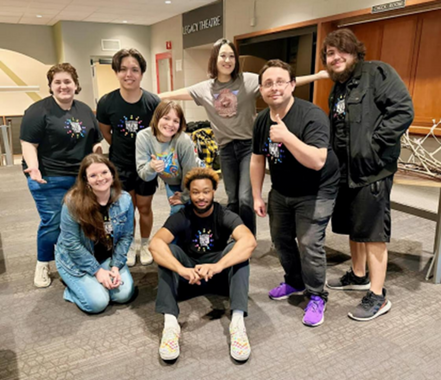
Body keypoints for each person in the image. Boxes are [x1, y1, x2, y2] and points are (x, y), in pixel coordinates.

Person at [160, 38, 328, 236]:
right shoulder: (205, 88)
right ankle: (235, 235)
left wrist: (317, 76)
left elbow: (282, 82)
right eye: (223, 55)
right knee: (232, 198)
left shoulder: (247, 80)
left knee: (245, 198)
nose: (227, 60)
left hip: (248, 146)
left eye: (231, 56)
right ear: (215, 59)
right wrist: (154, 95)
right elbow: (179, 94)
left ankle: (248, 238)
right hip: (225, 148)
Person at [321, 29, 414, 321]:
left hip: (372, 170)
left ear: (354, 51)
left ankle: (377, 294)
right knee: (354, 226)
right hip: (346, 171)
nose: (335, 57)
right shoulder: (338, 87)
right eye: (329, 53)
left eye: (341, 51)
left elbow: (402, 110)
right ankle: (358, 274)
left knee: (373, 232)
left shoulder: (378, 73)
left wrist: (373, 146)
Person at [250, 59, 340, 327]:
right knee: (280, 238)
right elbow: (257, 159)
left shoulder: (312, 115)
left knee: (309, 242)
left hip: (317, 189)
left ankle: (316, 296)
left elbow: (317, 161)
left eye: (280, 82)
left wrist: (287, 137)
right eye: (268, 83)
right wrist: (257, 195)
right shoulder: (261, 120)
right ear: (261, 90)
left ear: (291, 85)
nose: (274, 88)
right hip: (282, 189)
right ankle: (294, 281)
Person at [149, 167, 256, 361]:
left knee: (239, 253)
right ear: (189, 193)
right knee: (167, 253)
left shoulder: (225, 214)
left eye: (206, 191)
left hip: (219, 276)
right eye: (196, 192)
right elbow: (155, 244)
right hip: (189, 277)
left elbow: (249, 242)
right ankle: (170, 325)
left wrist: (218, 266)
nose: (201, 197)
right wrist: (181, 269)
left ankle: (238, 324)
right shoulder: (182, 216)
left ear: (214, 191)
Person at [20, 63, 103, 288]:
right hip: (48, 177)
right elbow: (28, 143)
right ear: (51, 86)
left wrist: (99, 162)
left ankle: (79, 259)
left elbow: (94, 142)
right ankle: (43, 263)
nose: (63, 86)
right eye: (57, 82)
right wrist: (34, 167)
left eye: (67, 81)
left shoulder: (84, 110)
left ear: (76, 85)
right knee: (53, 222)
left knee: (83, 219)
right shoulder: (38, 111)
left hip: (79, 178)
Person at [96, 48, 160, 267]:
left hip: (147, 165)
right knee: (126, 208)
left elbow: (160, 133)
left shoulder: (153, 102)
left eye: (134, 69)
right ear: (116, 72)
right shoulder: (107, 102)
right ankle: (130, 245)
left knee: (144, 207)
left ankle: (144, 243)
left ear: (142, 73)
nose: (128, 74)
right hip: (120, 165)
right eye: (123, 69)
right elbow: (106, 132)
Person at [55, 154, 135, 314]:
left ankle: (93, 284)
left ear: (112, 174)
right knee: (98, 303)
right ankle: (72, 287)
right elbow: (71, 244)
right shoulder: (72, 203)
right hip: (75, 261)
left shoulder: (124, 199)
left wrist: (116, 266)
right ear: (85, 180)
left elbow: (126, 236)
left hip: (107, 257)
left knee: (124, 295)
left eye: (104, 172)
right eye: (93, 175)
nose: (100, 178)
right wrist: (97, 271)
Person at [136, 100, 199, 215]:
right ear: (157, 118)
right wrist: (151, 167)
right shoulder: (143, 137)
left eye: (176, 121)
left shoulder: (183, 140)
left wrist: (185, 196)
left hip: (195, 177)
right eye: (166, 118)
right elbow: (145, 176)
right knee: (178, 211)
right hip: (173, 180)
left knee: (198, 209)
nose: (170, 124)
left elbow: (190, 173)